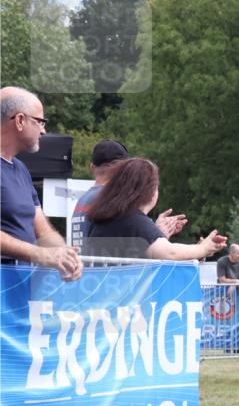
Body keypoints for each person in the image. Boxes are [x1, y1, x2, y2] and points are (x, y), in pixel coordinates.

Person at [0, 86, 81, 280]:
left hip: (15, 294)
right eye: (40, 122)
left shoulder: (20, 169)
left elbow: (43, 231)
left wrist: (66, 256)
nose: (44, 131)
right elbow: (40, 249)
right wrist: (39, 253)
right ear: (20, 121)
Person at [81, 158, 226, 260]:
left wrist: (156, 234)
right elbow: (170, 253)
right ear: (149, 190)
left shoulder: (105, 216)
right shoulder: (133, 221)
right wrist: (203, 249)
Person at [72, 139, 185, 248]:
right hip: (109, 268)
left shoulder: (81, 200)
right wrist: (156, 233)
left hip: (83, 266)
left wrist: (155, 231)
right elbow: (130, 235)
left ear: (91, 167)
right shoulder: (111, 199)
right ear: (124, 169)